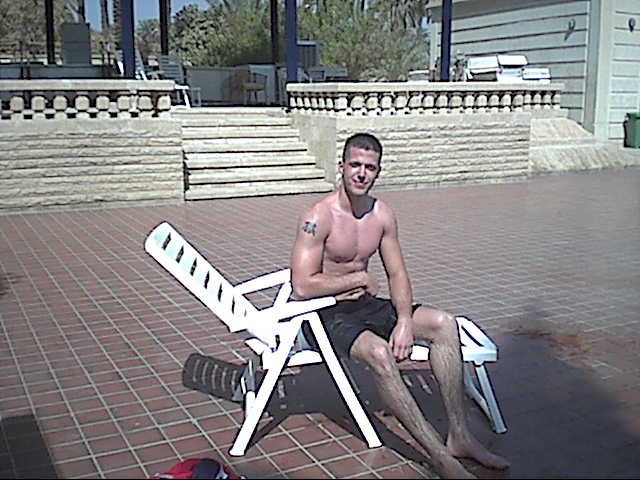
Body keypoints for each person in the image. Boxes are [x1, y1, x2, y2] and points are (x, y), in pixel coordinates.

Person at [290, 133, 509, 478]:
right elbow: (302, 285)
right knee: (380, 353)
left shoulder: (382, 215)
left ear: (378, 172)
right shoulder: (319, 216)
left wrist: (405, 320)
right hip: (322, 314)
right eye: (355, 165)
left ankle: (460, 436)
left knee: (444, 324)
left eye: (370, 167)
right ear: (341, 167)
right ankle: (441, 459)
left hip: (364, 305)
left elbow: (397, 273)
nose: (361, 173)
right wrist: (356, 279)